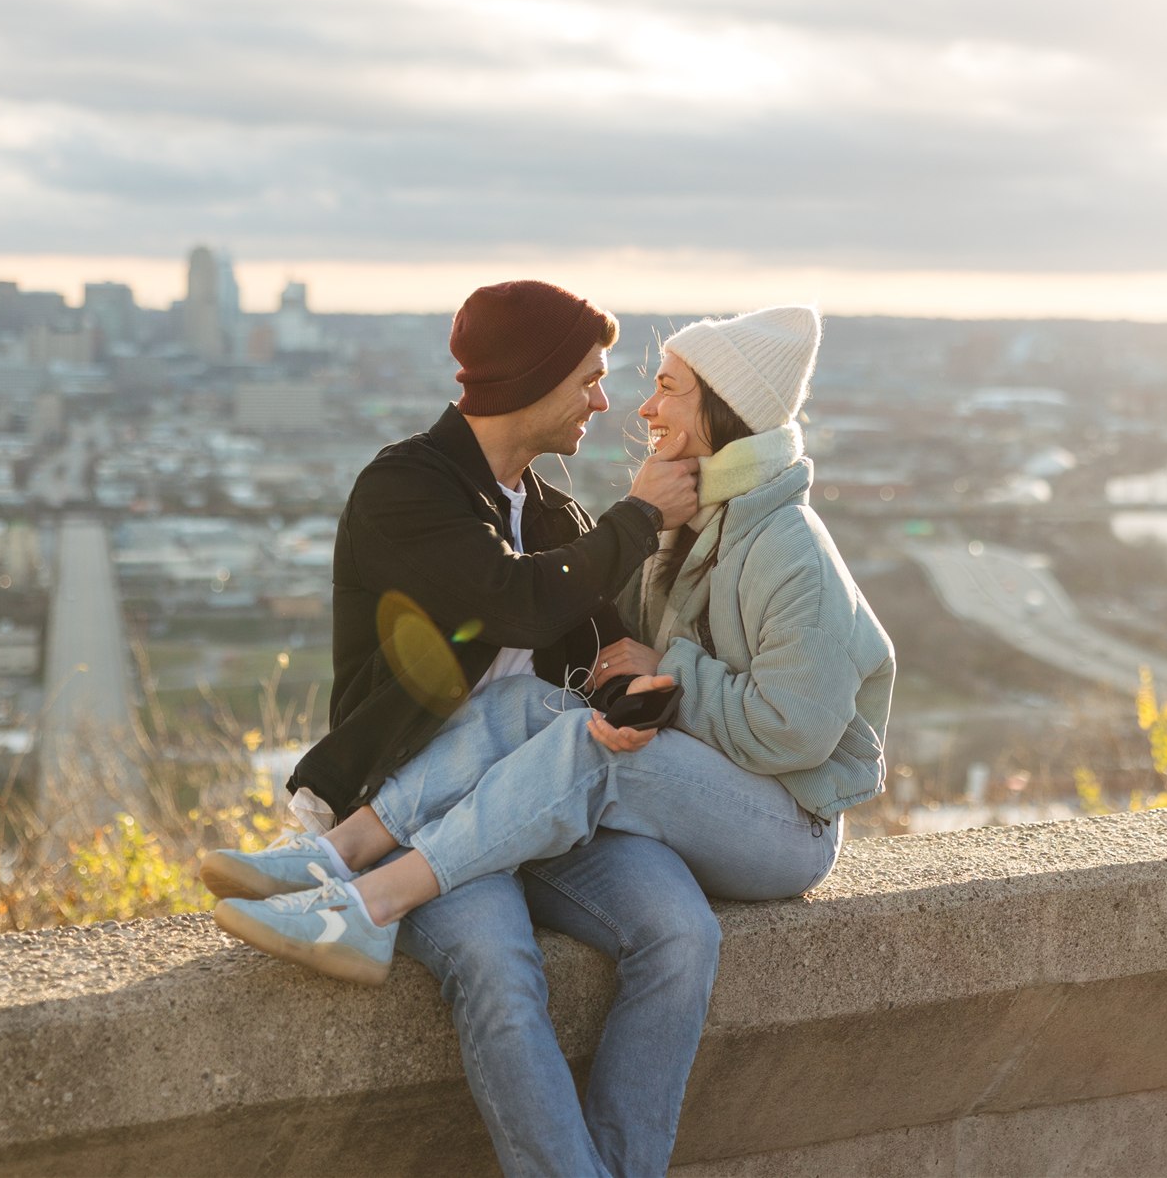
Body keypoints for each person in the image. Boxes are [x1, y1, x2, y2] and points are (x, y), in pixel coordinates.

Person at [210, 304, 895, 1005]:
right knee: (524, 704)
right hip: (661, 784)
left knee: (585, 777)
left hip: (785, 822)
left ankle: (372, 905)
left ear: (723, 406)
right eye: (609, 382)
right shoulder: (677, 522)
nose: (636, 405)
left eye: (665, 386)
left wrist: (666, 668)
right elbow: (577, 637)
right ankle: (332, 853)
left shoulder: (782, 543)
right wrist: (632, 688)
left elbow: (791, 725)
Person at [201, 280, 710, 1178]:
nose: (602, 400)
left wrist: (627, 654)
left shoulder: (556, 515)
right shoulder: (406, 488)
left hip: (536, 801)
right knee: (499, 967)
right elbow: (508, 597)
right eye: (589, 379)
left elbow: (583, 631)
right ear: (535, 377)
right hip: (414, 808)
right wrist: (637, 517)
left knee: (681, 931)